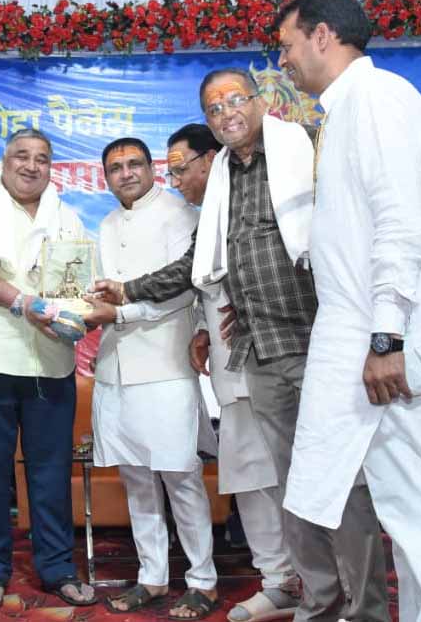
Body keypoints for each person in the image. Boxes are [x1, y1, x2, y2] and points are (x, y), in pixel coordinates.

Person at [94, 69, 388, 622]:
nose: (226, 112)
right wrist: (131, 291)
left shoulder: (304, 150)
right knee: (292, 488)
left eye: (235, 100)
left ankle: (366, 610)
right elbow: (198, 267)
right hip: (259, 351)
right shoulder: (226, 177)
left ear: (259, 101)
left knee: (343, 483)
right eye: (214, 108)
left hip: (319, 341)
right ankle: (317, 601)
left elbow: (355, 230)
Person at [276, 0, 421, 622]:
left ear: (322, 35)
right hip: (370, 337)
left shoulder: (377, 99)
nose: (282, 61)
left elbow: (401, 226)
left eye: (286, 45)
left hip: (386, 346)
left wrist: (385, 339)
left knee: (417, 510)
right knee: (409, 507)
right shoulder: (350, 107)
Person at [0, 128, 96, 608]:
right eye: (22, 156)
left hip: (51, 361)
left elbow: (76, 286)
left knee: (52, 472)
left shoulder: (67, 216)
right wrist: (20, 302)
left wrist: (81, 316)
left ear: (52, 167)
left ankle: (57, 566)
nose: (32, 166)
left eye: (42, 159)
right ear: (4, 161)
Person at [83, 138, 220, 619]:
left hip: (165, 367)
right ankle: (153, 576)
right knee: (136, 479)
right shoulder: (105, 224)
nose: (126, 173)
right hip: (114, 368)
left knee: (181, 477)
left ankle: (203, 580)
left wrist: (120, 313)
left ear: (152, 168)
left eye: (134, 164)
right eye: (115, 167)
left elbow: (184, 289)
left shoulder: (181, 214)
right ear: (105, 177)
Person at [169, 124, 300, 622]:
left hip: (278, 360)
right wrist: (203, 327)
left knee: (295, 475)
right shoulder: (208, 217)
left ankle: (326, 580)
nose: (176, 181)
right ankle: (279, 582)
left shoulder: (259, 198)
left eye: (180, 169)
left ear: (211, 160)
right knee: (249, 476)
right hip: (232, 372)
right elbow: (206, 283)